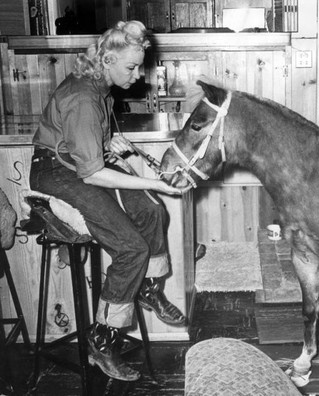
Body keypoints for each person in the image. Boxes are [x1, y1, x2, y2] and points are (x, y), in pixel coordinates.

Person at [29, 20, 187, 381]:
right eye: (131, 67)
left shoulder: (100, 89)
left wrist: (106, 143)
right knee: (132, 248)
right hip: (55, 173)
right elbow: (92, 174)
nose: (136, 75)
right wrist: (154, 182)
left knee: (149, 209)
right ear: (107, 60)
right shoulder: (85, 97)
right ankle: (101, 338)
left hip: (74, 164)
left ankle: (147, 287)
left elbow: (83, 142)